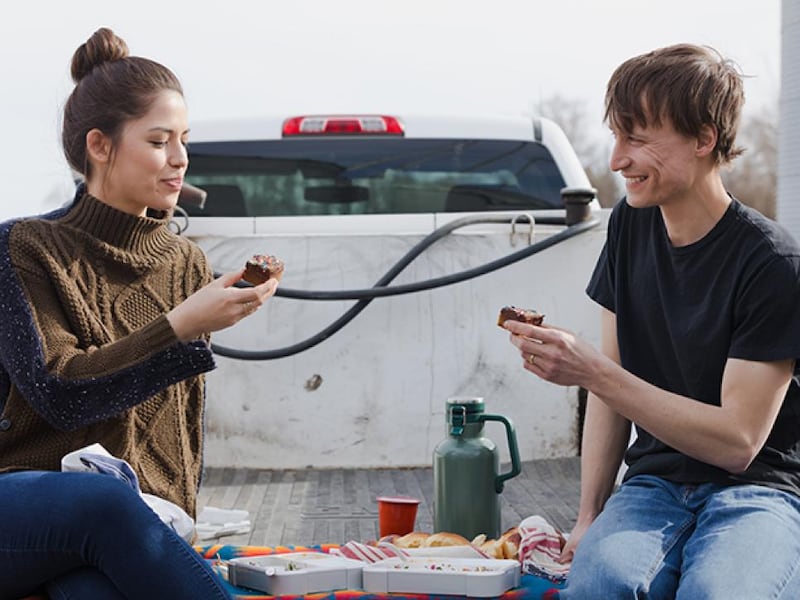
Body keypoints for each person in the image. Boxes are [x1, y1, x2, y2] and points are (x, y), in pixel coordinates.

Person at [504, 43, 800, 599]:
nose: (617, 160)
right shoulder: (628, 229)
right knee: (600, 586)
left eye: (636, 139)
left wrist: (591, 372)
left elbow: (738, 442)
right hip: (654, 484)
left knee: (717, 593)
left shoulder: (773, 264)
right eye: (616, 137)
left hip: (762, 490)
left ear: (704, 138)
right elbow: (613, 391)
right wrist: (588, 515)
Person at [0, 28, 277, 599]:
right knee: (103, 503)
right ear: (99, 146)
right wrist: (181, 325)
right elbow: (59, 391)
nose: (180, 159)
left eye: (184, 139)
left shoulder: (185, 262)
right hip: (25, 504)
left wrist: (174, 522)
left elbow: (176, 431)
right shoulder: (24, 248)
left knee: (97, 591)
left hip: (124, 524)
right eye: (158, 141)